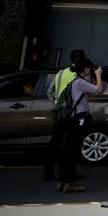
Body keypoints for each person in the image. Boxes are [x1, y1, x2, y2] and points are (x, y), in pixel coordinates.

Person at [56, 57, 104, 193]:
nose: (91, 70)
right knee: (73, 150)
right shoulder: (80, 82)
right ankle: (70, 182)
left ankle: (63, 181)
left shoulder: (74, 82)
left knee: (67, 149)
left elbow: (92, 92)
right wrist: (99, 75)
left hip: (71, 119)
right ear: (85, 69)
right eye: (89, 68)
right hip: (79, 118)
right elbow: (99, 90)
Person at [44, 49, 85, 182]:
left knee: (54, 143)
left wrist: (56, 104)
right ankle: (68, 173)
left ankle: (48, 173)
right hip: (72, 114)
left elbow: (50, 91)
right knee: (70, 145)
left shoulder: (61, 73)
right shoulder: (80, 76)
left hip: (59, 113)